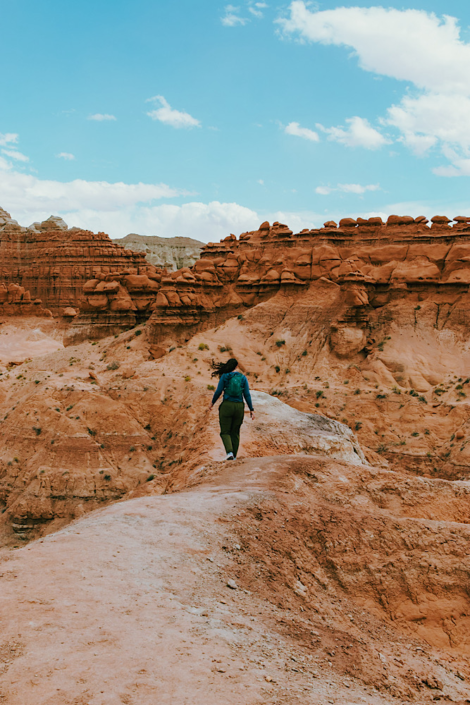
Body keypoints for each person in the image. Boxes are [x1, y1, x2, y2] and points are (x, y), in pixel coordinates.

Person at [208, 357, 254, 460]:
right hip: (239, 407)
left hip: (227, 406)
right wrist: (251, 409)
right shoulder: (243, 378)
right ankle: (234, 456)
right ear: (237, 366)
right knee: (235, 432)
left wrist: (212, 403)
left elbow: (218, 391)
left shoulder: (225, 376)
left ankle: (229, 452)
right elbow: (247, 394)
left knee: (225, 431)